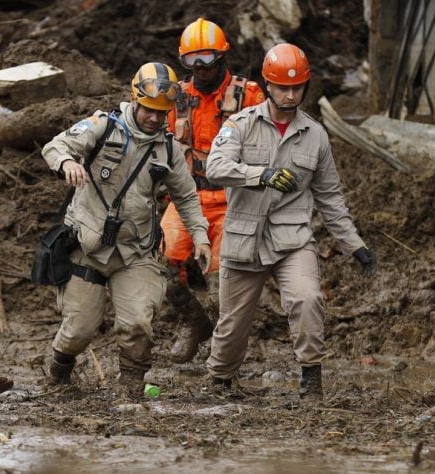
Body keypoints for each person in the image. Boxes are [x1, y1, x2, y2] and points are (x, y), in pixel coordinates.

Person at [204, 43, 377, 399]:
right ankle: (220, 380)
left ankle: (311, 379)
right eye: (283, 86)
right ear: (267, 85)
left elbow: (330, 197)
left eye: (297, 87)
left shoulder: (316, 136)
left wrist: (354, 245)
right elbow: (215, 168)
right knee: (233, 322)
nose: (290, 94)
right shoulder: (240, 125)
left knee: (307, 298)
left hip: (292, 239)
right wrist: (260, 175)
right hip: (244, 237)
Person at [41, 62, 212, 398]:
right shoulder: (102, 126)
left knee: (137, 323)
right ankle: (58, 374)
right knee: (78, 330)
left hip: (135, 250)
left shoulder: (168, 149)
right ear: (135, 100)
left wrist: (202, 238)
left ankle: (131, 388)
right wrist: (68, 163)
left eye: (162, 112)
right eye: (149, 110)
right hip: (87, 248)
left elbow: (187, 198)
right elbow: (55, 146)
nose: (154, 118)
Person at [161, 18, 265, 363]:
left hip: (233, 199)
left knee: (227, 282)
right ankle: (193, 323)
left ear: (222, 57)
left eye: (206, 58)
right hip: (187, 197)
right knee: (160, 262)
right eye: (192, 60)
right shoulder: (176, 98)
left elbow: (268, 146)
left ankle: (225, 355)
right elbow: (160, 148)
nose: (200, 68)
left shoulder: (248, 95)